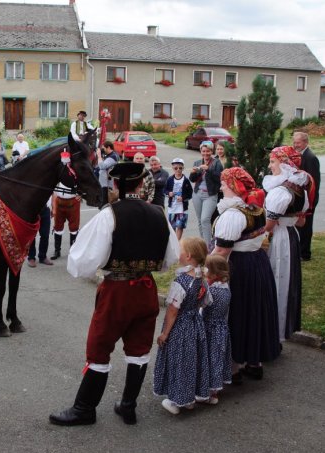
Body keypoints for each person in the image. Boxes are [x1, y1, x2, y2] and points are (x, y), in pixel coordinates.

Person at [49, 162, 180, 427]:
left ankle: (85, 408)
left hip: (117, 291)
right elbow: (171, 258)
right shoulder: (159, 213)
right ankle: (128, 406)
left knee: (99, 347)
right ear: (142, 184)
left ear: (115, 185)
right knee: (139, 348)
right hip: (146, 289)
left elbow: (82, 262)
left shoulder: (110, 215)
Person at [211, 167, 279, 382]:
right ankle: (254, 362)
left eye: (224, 183)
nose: (221, 186)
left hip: (239, 266)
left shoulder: (233, 215)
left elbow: (221, 251)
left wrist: (204, 270)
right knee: (254, 310)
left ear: (233, 186)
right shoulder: (257, 209)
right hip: (257, 262)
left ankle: (234, 368)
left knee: (238, 313)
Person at [153, 237, 210, 415]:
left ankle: (176, 400)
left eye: (180, 250)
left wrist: (164, 333)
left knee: (179, 360)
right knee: (191, 360)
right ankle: (189, 398)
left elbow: (173, 311)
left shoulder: (181, 282)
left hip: (180, 327)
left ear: (188, 255)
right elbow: (205, 301)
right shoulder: (201, 278)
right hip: (195, 324)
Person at [263, 146, 311, 342]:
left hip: (278, 240)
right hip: (290, 236)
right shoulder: (300, 190)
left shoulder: (281, 191)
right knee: (284, 282)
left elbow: (268, 225)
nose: (269, 165)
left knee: (275, 282)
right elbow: (301, 221)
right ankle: (280, 330)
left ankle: (271, 333)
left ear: (285, 164)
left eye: (273, 162)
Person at [201, 254, 232, 405]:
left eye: (206, 269)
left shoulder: (211, 291)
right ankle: (214, 392)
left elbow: (203, 306)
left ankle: (205, 391)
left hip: (209, 328)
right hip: (221, 329)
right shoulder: (226, 288)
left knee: (207, 358)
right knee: (217, 359)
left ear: (214, 274)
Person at [292, 131, 320, 261]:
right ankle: (299, 250)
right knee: (299, 225)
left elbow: (314, 181)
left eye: (298, 142)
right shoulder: (298, 155)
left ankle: (305, 254)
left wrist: (310, 201)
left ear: (305, 142)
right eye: (294, 142)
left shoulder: (310, 158)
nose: (295, 145)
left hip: (309, 198)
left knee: (306, 226)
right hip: (302, 198)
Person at [189, 140, 223, 245]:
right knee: (200, 220)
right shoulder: (197, 162)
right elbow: (192, 179)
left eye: (208, 151)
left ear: (211, 151)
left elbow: (219, 178)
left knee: (205, 219)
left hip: (210, 194)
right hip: (197, 194)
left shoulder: (216, 162)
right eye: (203, 151)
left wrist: (208, 169)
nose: (205, 153)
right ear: (200, 151)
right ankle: (202, 243)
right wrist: (193, 172)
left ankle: (208, 246)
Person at [50, 184, 80, 260]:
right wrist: (53, 207)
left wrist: (81, 194)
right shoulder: (58, 172)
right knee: (57, 227)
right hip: (59, 201)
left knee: (74, 227)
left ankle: (73, 251)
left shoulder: (76, 172)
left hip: (73, 201)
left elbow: (84, 182)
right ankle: (57, 251)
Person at [165, 158, 193, 240]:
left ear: (183, 168)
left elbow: (190, 193)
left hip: (182, 208)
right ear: (172, 168)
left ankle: (177, 242)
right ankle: (173, 242)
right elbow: (165, 190)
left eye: (180, 168)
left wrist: (183, 198)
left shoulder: (186, 180)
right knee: (172, 227)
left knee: (180, 226)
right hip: (172, 207)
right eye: (175, 168)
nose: (178, 170)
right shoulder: (170, 179)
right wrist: (168, 193)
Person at [27, 197, 53, 267]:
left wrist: (52, 207)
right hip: (33, 209)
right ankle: (31, 257)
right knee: (32, 235)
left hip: (45, 209)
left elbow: (52, 193)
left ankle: (43, 256)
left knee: (45, 234)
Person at [97, 144, 118, 208]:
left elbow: (102, 166)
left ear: (108, 147)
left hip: (106, 185)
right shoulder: (109, 156)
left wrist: (99, 156)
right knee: (103, 205)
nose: (103, 150)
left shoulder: (113, 156)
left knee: (104, 206)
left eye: (103, 148)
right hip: (104, 184)